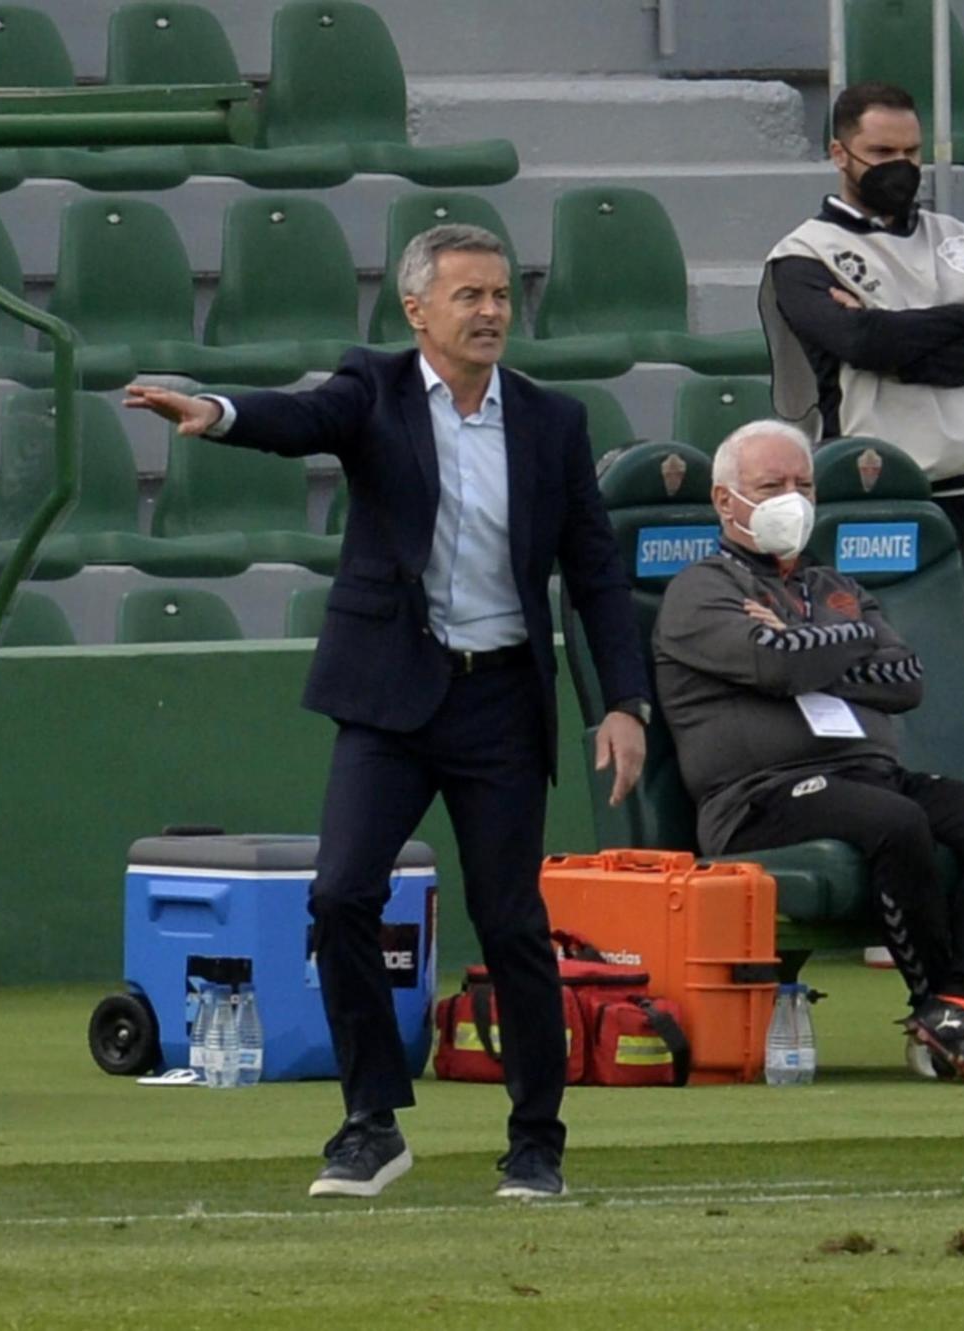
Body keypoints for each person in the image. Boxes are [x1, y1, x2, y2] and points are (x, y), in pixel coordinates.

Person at [126, 224, 650, 1200]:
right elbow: (299, 417)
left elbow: (594, 576)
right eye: (469, 296)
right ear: (416, 310)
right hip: (390, 695)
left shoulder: (550, 421)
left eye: (499, 295)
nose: (490, 311)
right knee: (338, 897)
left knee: (510, 924)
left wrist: (620, 701)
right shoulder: (371, 387)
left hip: (498, 699)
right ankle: (370, 1122)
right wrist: (216, 411)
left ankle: (535, 1141)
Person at [652, 420, 964, 1084]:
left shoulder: (834, 587)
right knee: (894, 821)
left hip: (868, 774)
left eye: (803, 484)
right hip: (760, 796)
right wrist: (844, 642)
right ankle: (928, 1004)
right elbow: (772, 664)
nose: (792, 498)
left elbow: (907, 678)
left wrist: (822, 642)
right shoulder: (701, 589)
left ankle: (961, 1004)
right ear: (725, 501)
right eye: (771, 485)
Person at [758, 80, 964, 535]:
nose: (900, 167)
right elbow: (864, 344)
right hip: (878, 481)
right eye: (883, 153)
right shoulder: (803, 254)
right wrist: (963, 316)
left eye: (911, 152)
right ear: (840, 153)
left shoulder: (958, 237)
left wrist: (893, 341)